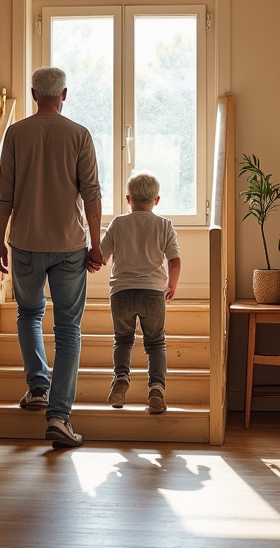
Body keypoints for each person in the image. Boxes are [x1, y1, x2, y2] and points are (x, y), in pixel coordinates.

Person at [0, 66, 103, 449]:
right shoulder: (79, 135)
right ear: (64, 94)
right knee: (69, 329)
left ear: (34, 93)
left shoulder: (15, 133)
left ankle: (37, 387)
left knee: (28, 314)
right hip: (70, 245)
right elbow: (91, 193)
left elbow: (2, 194)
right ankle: (58, 417)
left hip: (24, 242)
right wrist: (96, 242)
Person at [98, 171, 181, 414]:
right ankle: (156, 388)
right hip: (153, 292)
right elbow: (174, 261)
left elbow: (102, 257)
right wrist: (172, 285)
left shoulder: (118, 223)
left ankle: (121, 378)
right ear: (156, 200)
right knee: (155, 343)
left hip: (121, 292)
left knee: (123, 339)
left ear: (128, 198)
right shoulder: (164, 225)